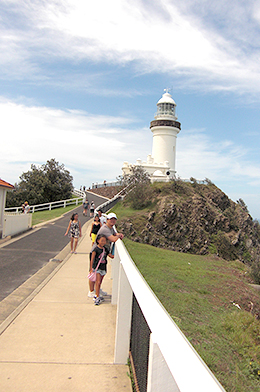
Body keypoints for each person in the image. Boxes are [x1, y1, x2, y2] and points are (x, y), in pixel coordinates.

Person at [88, 212, 124, 298]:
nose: (112, 221)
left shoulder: (110, 228)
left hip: (103, 253)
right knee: (94, 272)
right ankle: (91, 291)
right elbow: (113, 239)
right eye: (111, 219)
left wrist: (118, 234)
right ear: (107, 220)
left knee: (101, 273)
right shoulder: (105, 229)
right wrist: (118, 236)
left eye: (114, 219)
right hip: (96, 252)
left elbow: (115, 234)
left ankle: (97, 289)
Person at [89, 234, 114, 305]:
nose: (103, 242)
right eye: (102, 241)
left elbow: (110, 255)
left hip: (103, 268)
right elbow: (92, 259)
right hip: (97, 268)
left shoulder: (105, 249)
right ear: (98, 241)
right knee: (98, 282)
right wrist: (91, 268)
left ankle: (97, 293)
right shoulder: (95, 249)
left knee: (100, 282)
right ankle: (97, 296)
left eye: (104, 241)